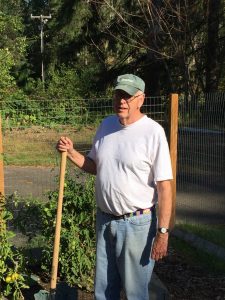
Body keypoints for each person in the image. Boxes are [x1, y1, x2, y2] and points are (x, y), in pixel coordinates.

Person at [57, 74, 173, 300]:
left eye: (128, 96)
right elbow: (95, 166)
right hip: (105, 221)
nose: (122, 101)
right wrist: (71, 152)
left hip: (136, 225)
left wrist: (163, 233)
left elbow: (165, 187)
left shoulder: (153, 132)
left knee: (134, 294)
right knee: (104, 291)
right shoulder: (107, 125)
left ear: (141, 99)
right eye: (119, 94)